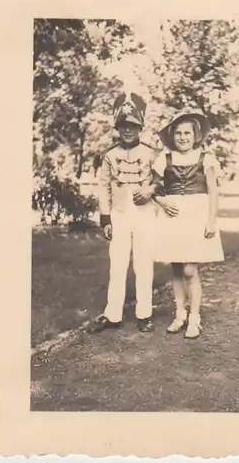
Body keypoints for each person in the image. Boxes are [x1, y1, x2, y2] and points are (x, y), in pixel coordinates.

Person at [88, 91, 159, 334]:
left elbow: (163, 179)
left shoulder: (151, 154)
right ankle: (113, 314)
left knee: (143, 263)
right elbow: (103, 187)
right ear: (118, 128)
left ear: (140, 128)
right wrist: (105, 218)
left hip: (145, 213)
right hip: (119, 214)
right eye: (124, 126)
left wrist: (150, 189)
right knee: (117, 264)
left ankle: (144, 314)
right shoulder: (109, 155)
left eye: (133, 126)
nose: (128, 130)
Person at [152, 110, 225, 339]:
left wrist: (211, 220)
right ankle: (179, 314)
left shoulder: (207, 158)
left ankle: (194, 318)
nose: (183, 137)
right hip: (173, 216)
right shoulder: (165, 158)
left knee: (189, 270)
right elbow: (154, 189)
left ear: (196, 136)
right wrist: (162, 202)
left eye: (187, 133)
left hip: (196, 215)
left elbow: (213, 191)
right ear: (172, 136)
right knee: (176, 268)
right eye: (178, 133)